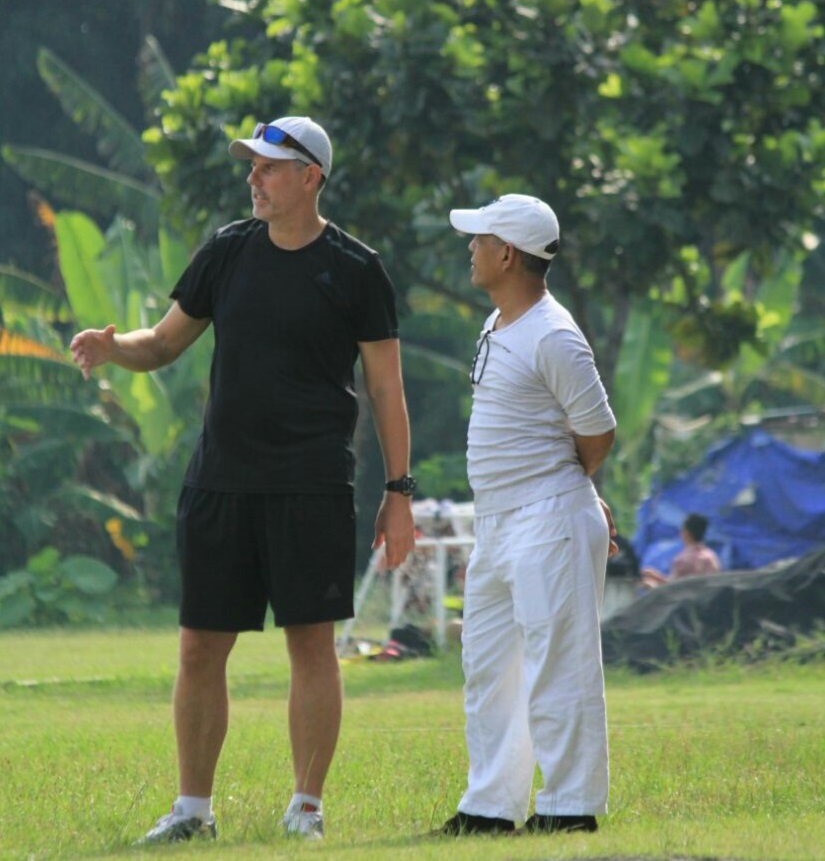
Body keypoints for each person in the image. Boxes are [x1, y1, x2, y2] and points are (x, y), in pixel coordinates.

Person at [70, 115, 417, 843]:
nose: (253, 179)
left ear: (309, 177)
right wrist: (113, 347)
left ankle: (306, 808)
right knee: (199, 648)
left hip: (311, 486)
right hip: (220, 481)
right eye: (251, 167)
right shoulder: (227, 251)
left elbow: (386, 388)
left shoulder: (357, 269)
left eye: (268, 167)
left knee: (311, 647)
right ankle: (192, 811)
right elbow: (164, 342)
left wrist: (399, 493)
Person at [438, 194, 617, 837]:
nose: (472, 248)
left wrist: (568, 489)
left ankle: (570, 808)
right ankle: (489, 808)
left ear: (508, 254)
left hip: (547, 518)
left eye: (481, 239)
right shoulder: (499, 322)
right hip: (497, 522)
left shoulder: (554, 335)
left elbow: (598, 433)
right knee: (489, 669)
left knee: (558, 665)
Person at [640, 513, 721, 588]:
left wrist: (651, 583)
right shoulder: (712, 557)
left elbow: (673, 588)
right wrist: (656, 576)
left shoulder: (682, 560)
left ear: (687, 533)